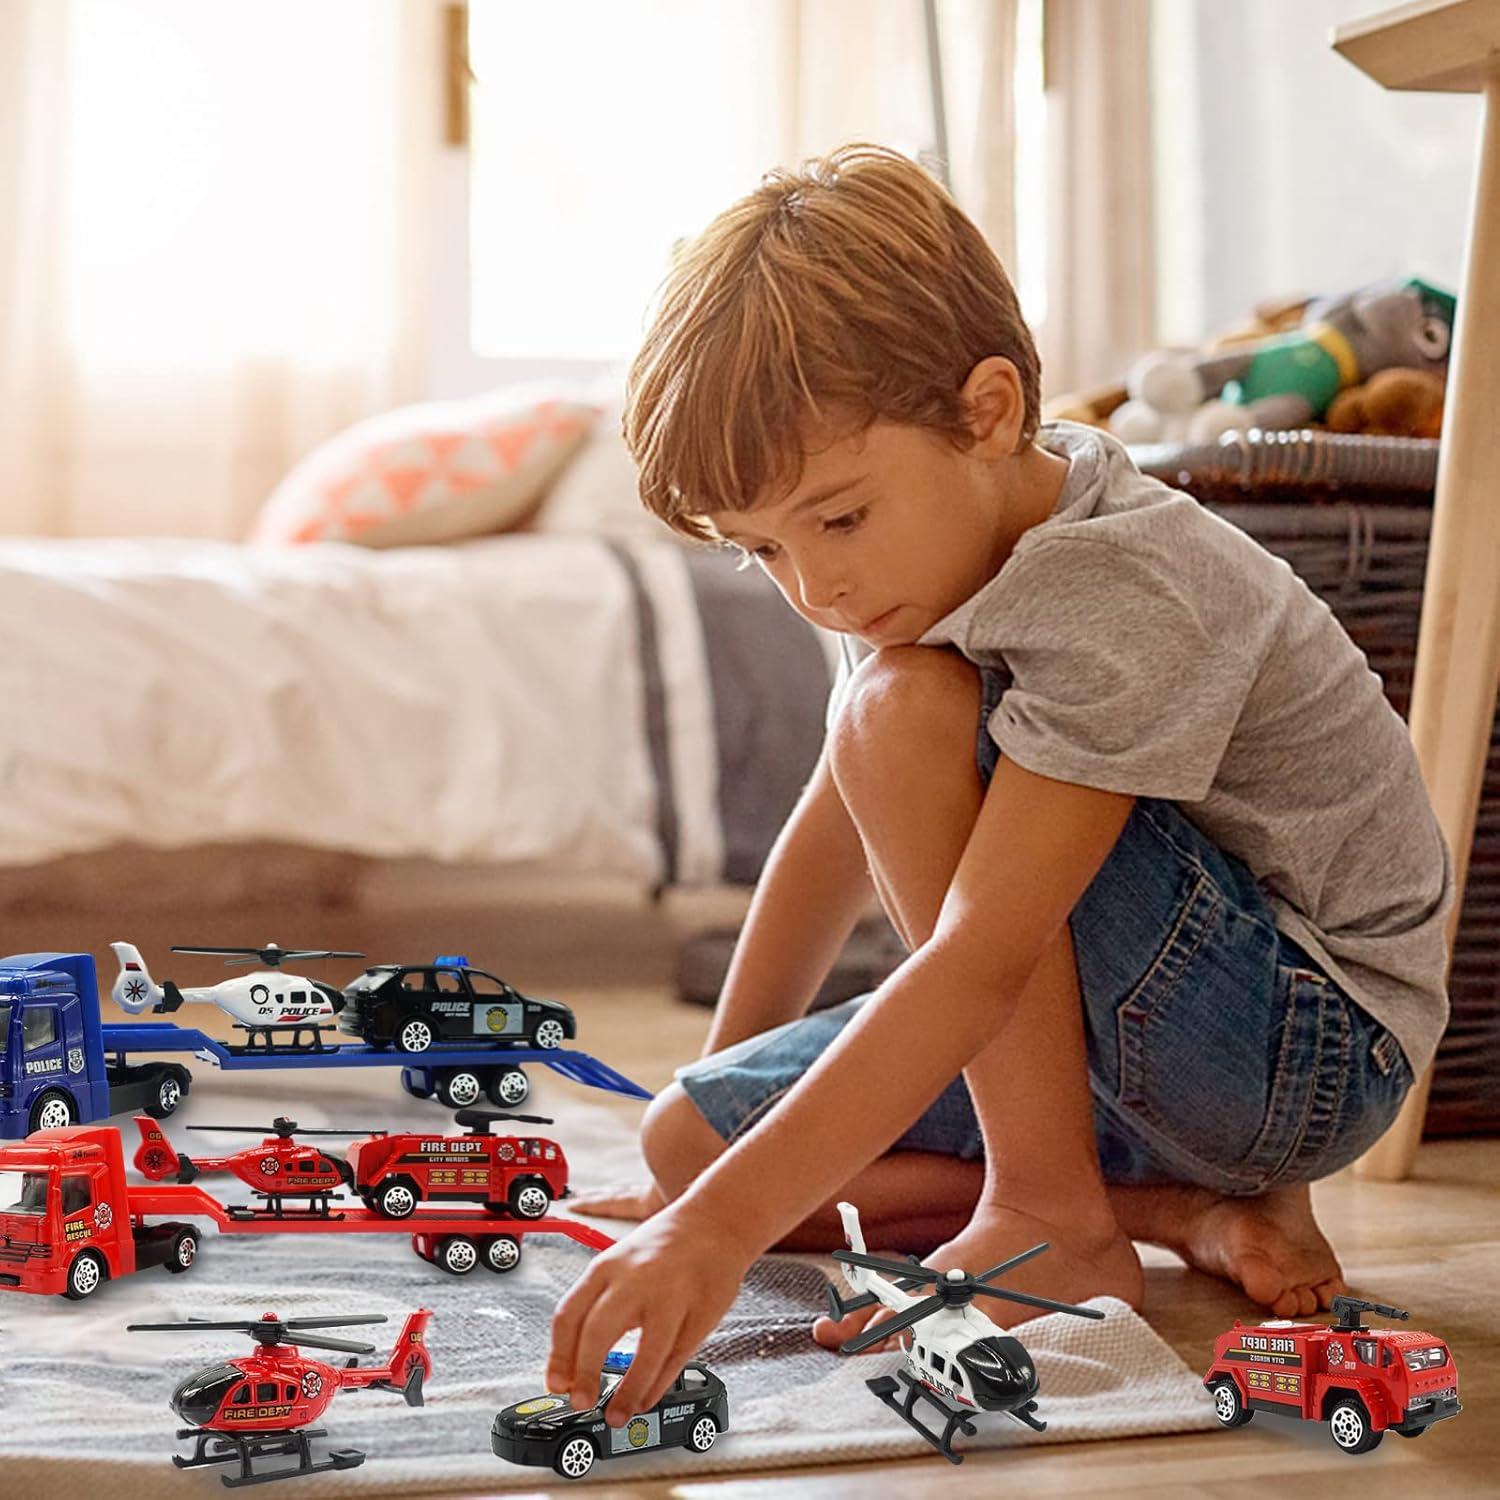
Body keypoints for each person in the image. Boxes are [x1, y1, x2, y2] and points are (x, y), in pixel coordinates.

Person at [545, 143, 1452, 1425]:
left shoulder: (1118, 581)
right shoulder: (919, 552)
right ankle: (1169, 1213)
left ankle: (1048, 1215)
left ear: (985, 412)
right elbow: (831, 834)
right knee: (686, 1143)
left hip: (1304, 1041)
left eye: (838, 521)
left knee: (901, 710)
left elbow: (979, 956)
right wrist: (712, 1158)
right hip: (1143, 1049)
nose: (817, 589)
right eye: (764, 552)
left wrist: (718, 1233)